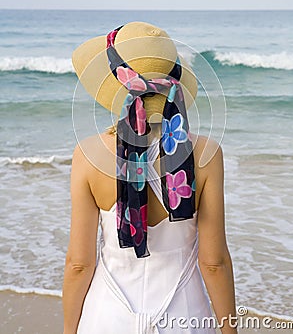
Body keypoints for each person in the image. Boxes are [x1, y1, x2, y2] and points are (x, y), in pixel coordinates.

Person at [63, 22, 237, 334]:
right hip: (186, 316)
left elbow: (79, 263)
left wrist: (69, 330)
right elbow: (214, 263)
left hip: (107, 315)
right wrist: (231, 330)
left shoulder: (87, 154)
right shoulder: (207, 154)